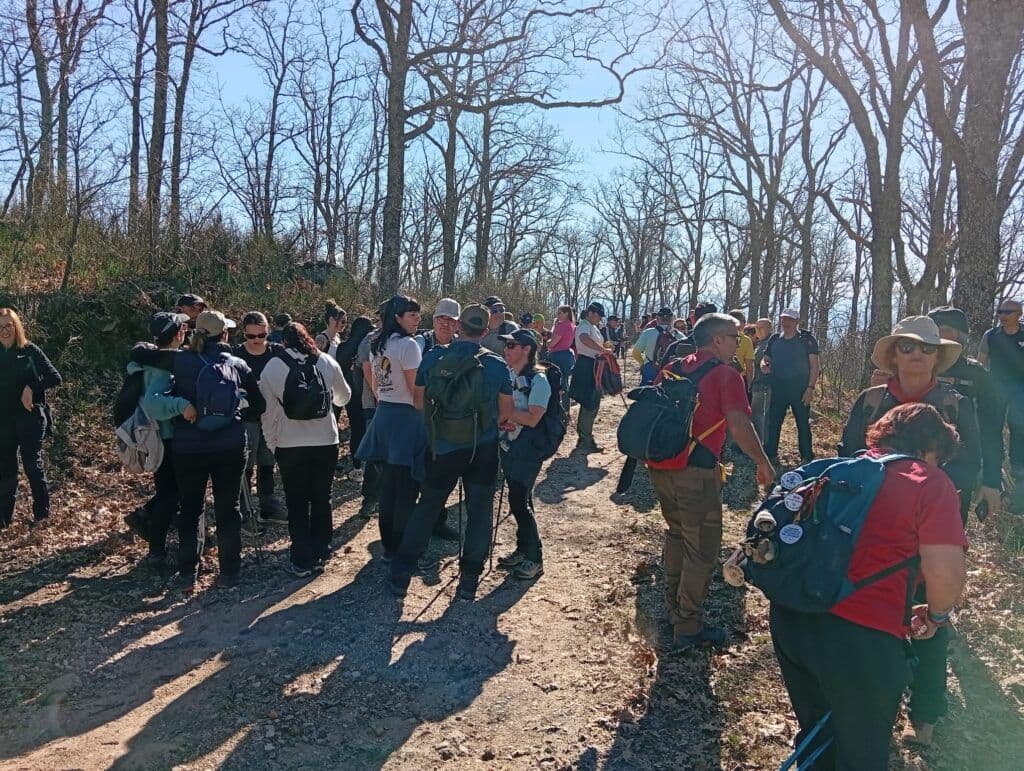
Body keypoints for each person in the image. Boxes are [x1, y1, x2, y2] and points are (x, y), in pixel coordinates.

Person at [772, 403, 967, 769]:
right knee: (862, 750)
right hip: (863, 638)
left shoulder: (836, 470)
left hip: (793, 617)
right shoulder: (929, 482)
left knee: (818, 732)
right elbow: (946, 574)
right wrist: (937, 616)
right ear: (933, 448)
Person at [839, 315, 979, 747]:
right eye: (907, 346)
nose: (916, 354)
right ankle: (858, 704)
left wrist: (933, 505)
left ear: (939, 358)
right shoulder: (870, 400)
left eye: (927, 348)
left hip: (932, 533)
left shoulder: (957, 404)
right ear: (894, 354)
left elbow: (969, 463)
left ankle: (924, 716)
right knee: (863, 617)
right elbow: (847, 458)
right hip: (869, 533)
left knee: (931, 619)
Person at [647, 313, 773, 650]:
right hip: (697, 472)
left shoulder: (674, 366)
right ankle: (687, 625)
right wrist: (762, 461)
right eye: (734, 336)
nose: (739, 342)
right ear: (717, 340)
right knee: (702, 549)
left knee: (677, 535)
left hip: (661, 466)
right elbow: (739, 425)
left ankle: (673, 607)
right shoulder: (726, 375)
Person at [389, 304, 514, 601]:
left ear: (458, 327)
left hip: (442, 447)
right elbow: (506, 413)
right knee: (479, 511)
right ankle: (469, 580)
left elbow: (419, 403)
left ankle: (401, 575)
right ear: (485, 331)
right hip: (482, 449)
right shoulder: (496, 365)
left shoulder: (433, 357)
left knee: (428, 506)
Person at [129, 310, 257, 591]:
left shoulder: (179, 360)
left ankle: (189, 572)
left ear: (194, 332)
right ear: (225, 334)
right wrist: (235, 412)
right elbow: (259, 406)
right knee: (228, 508)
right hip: (230, 447)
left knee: (191, 508)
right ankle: (230, 573)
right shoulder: (238, 364)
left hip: (189, 448)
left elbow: (142, 359)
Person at [260, 322, 351, 577]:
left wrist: (272, 443)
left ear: (284, 343)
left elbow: (267, 413)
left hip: (289, 445)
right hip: (326, 441)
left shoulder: (273, 367)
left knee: (297, 501)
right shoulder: (325, 362)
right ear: (308, 339)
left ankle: (301, 559)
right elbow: (344, 397)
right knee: (322, 497)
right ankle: (322, 550)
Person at [355, 296, 426, 561]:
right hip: (406, 419)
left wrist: (384, 398)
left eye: (418, 314)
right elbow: (416, 391)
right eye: (412, 315)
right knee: (405, 489)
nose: (418, 319)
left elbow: (374, 381)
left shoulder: (378, 343)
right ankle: (402, 548)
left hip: (384, 415)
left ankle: (388, 545)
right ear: (397, 317)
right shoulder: (408, 346)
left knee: (388, 488)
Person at [126, 312, 194, 565]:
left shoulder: (150, 358)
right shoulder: (162, 366)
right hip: (166, 439)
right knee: (169, 495)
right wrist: (182, 405)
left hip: (158, 437)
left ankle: (157, 547)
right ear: (178, 334)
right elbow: (155, 402)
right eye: (183, 328)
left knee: (169, 494)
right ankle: (157, 551)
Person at [0, 307, 62, 528]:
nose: (5, 330)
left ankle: (42, 515)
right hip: (4, 421)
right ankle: (4, 518)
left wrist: (31, 387)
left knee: (32, 465)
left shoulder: (29, 350)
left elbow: (55, 377)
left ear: (16, 326)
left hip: (30, 417)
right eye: (0, 327)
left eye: (8, 325)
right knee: (6, 469)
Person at [496, 329, 550, 580]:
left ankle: (535, 558)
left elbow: (533, 418)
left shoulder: (539, 380)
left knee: (519, 501)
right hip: (509, 447)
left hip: (528, 450)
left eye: (512, 346)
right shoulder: (507, 374)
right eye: (506, 346)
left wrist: (506, 414)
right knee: (520, 500)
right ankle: (523, 549)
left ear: (527, 350)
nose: (506, 350)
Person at [231, 311, 287, 525]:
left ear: (268, 332)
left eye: (261, 335)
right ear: (243, 334)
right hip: (247, 418)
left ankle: (268, 504)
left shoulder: (277, 352)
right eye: (250, 336)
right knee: (246, 464)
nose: (256, 341)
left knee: (268, 462)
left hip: (272, 417)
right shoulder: (236, 356)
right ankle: (243, 508)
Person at [979, 298, 1024, 511]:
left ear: (1019, 313)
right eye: (1000, 311)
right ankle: (991, 475)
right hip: (995, 386)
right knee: (992, 429)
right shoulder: (991, 336)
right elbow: (981, 362)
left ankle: (1018, 475)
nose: (1002, 315)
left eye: (1008, 312)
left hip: (1020, 388)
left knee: (1020, 428)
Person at [761, 308, 820, 464]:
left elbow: (815, 366)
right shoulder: (774, 339)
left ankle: (806, 456)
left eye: (790, 320)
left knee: (802, 423)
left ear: (797, 322)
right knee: (774, 421)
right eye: (783, 319)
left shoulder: (807, 339)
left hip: (800, 388)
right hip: (778, 386)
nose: (786, 323)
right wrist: (764, 365)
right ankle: (770, 454)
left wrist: (810, 388)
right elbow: (766, 358)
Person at [335, 315, 374, 484]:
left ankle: (357, 466)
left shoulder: (343, 346)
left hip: (347, 393)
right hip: (367, 393)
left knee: (356, 429)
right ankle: (370, 466)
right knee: (368, 429)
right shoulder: (369, 344)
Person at [569, 302, 609, 452]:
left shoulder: (593, 327)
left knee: (592, 401)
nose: (599, 319)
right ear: (591, 313)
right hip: (587, 365)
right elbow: (584, 339)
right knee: (589, 402)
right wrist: (602, 349)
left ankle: (585, 436)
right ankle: (586, 439)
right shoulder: (584, 325)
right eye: (598, 316)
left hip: (593, 365)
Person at [354, 310, 383, 515]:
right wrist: (380, 395)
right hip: (374, 403)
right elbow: (366, 369)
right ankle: (370, 499)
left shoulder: (405, 339)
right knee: (375, 452)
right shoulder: (370, 338)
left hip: (395, 405)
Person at [633, 307, 685, 385]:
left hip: (650, 369)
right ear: (672, 319)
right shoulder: (680, 336)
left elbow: (635, 353)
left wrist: (643, 364)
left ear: (657, 319)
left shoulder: (648, 333)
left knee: (646, 394)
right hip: (672, 371)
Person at [547, 306, 576, 413]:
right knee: (564, 383)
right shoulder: (571, 325)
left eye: (560, 313)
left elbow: (553, 342)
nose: (558, 315)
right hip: (566, 354)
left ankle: (559, 410)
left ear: (566, 314)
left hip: (558, 355)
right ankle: (566, 409)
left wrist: (547, 343)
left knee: (557, 383)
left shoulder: (563, 325)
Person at [728, 309, 755, 388]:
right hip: (737, 378)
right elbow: (749, 365)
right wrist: (749, 384)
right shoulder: (746, 340)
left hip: (720, 376)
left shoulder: (718, 336)